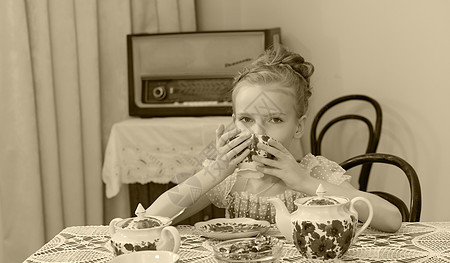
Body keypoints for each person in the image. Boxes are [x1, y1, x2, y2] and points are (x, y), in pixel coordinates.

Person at [146, 45, 402, 233]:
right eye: (246, 119)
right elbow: (151, 219)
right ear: (233, 121)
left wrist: (302, 181)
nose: (258, 133)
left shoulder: (315, 173)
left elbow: (391, 219)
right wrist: (213, 173)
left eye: (275, 120)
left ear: (299, 127)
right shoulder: (232, 181)